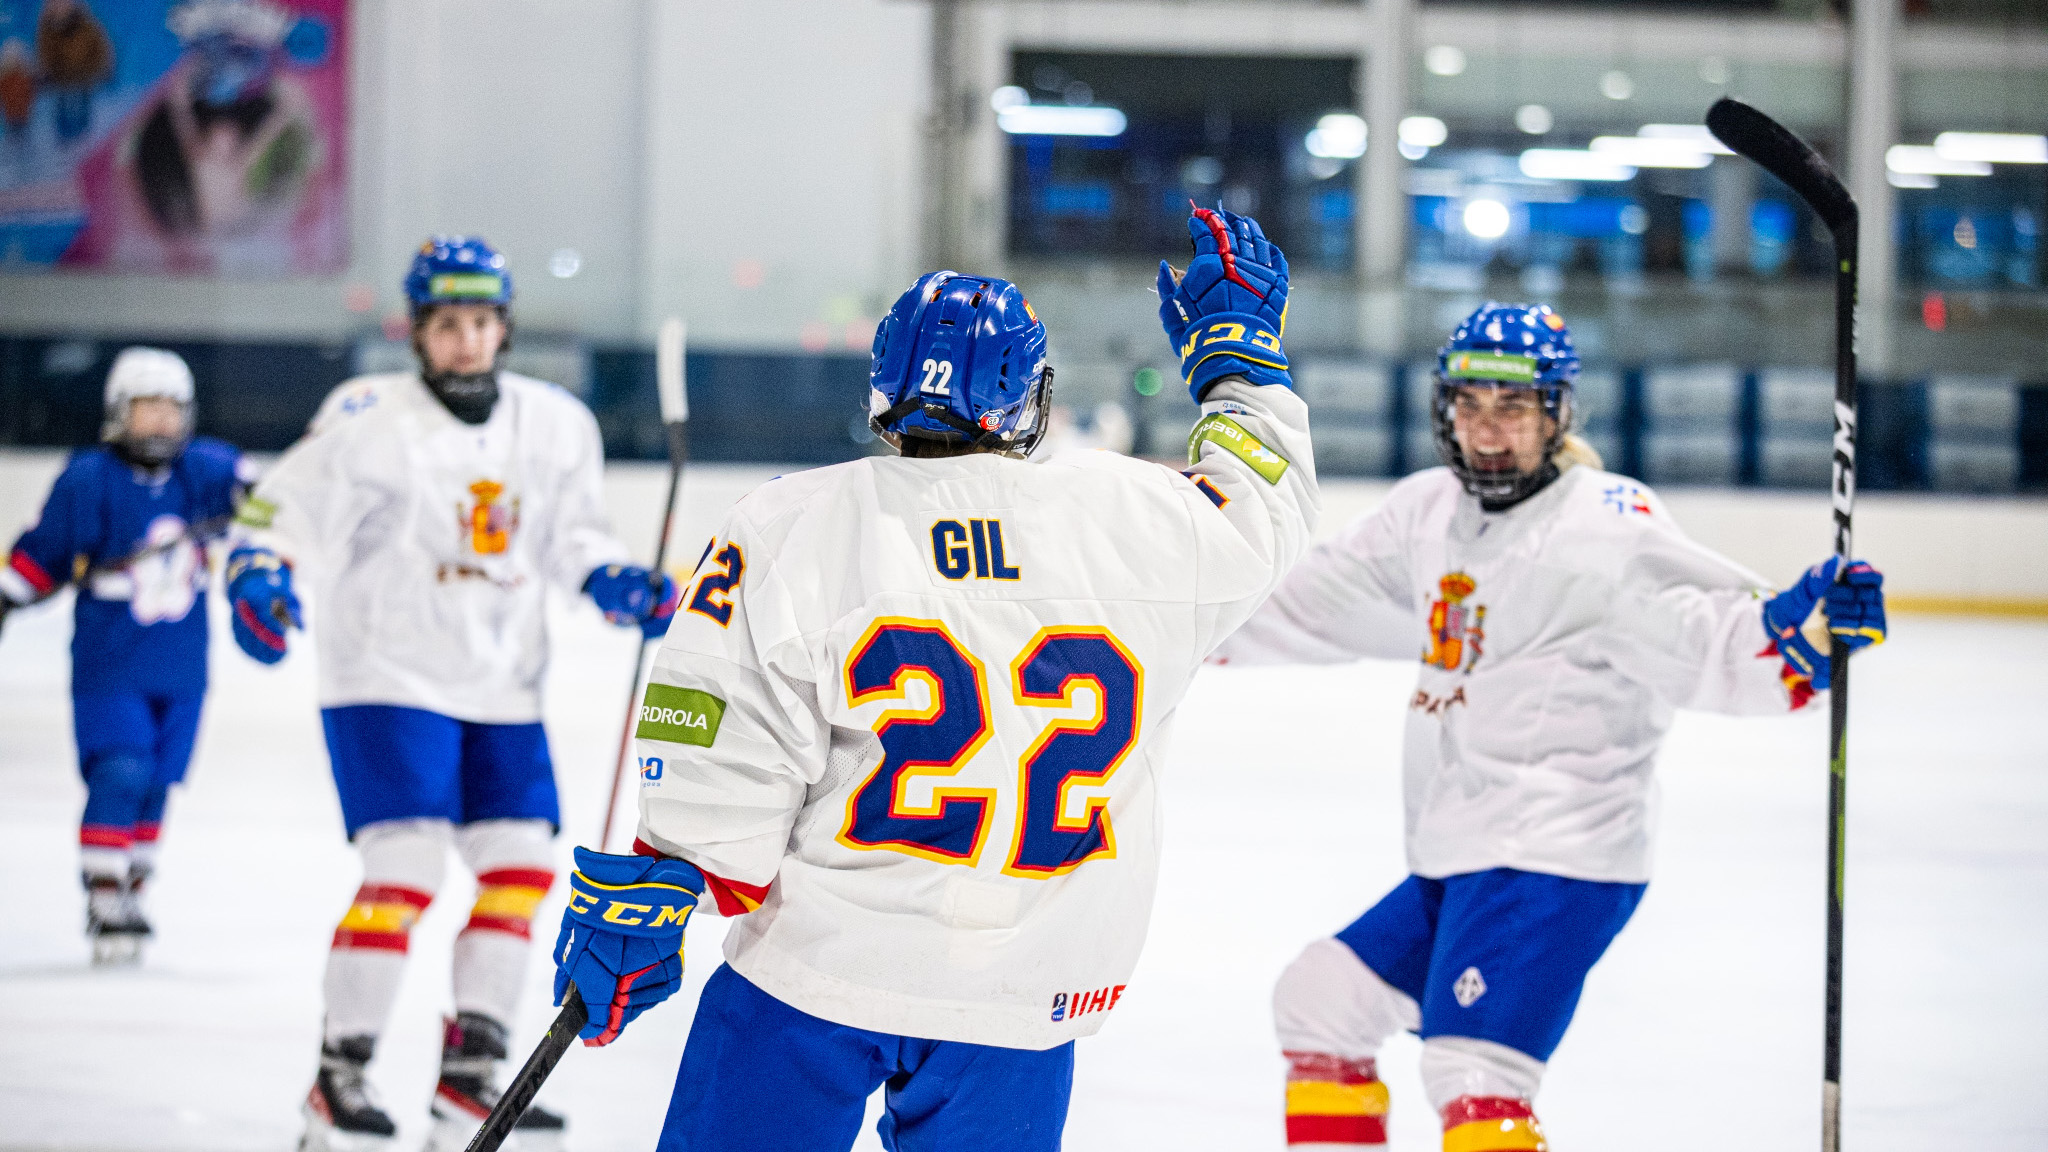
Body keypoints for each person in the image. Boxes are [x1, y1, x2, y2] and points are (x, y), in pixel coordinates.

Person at [546, 208, 1316, 1151]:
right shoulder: (1133, 519)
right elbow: (1264, 504)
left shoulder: (794, 522)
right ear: (1029, 395)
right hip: (1023, 995)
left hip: (814, 973)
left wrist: (666, 876)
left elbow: (717, 724)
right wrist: (1239, 361)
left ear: (883, 388)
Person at [1210, 303, 1888, 1151]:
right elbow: (1309, 602)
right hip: (1462, 848)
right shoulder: (1426, 513)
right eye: (1470, 405)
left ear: (1557, 413)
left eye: (1513, 408)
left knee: (1476, 1074)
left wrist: (1806, 633)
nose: (1488, 431)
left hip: (1559, 853)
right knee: (1321, 1002)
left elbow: (1706, 638)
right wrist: (1177, 619)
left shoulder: (1603, 525)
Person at [226, 236, 679, 1151]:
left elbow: (571, 539)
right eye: (447, 326)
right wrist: (258, 572)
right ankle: (339, 1077)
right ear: (418, 332)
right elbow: (283, 511)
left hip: (504, 685)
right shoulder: (366, 417)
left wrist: (611, 581)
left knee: (520, 870)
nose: (466, 342)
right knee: (407, 873)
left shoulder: (555, 424)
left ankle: (471, 1072)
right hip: (384, 679)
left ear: (503, 327)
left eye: (480, 323)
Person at [1, 346, 249, 964]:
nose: (162, 421)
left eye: (172, 408)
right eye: (148, 408)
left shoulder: (205, 470)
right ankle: (103, 889)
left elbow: (268, 499)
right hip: (109, 662)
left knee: (159, 781)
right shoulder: (89, 478)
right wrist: (9, 593)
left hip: (183, 665)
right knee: (122, 770)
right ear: (119, 412)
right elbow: (44, 551)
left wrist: (266, 498)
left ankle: (135, 884)